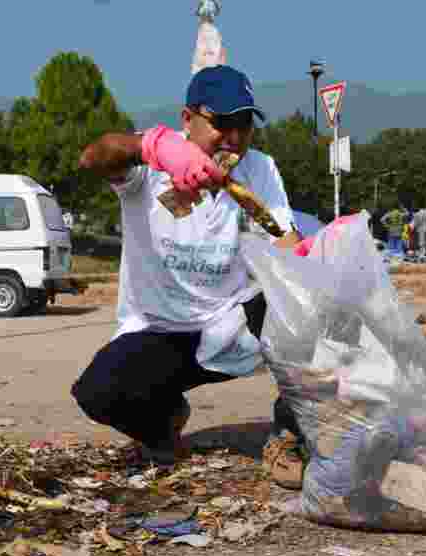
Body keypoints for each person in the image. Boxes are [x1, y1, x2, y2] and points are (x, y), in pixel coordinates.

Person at [72, 64, 302, 477]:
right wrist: (154, 148)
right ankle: (162, 424)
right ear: (187, 119)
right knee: (98, 391)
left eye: (244, 124)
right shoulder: (151, 166)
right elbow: (92, 157)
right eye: (221, 123)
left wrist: (322, 266)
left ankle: (290, 435)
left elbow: (284, 240)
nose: (233, 138)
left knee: (303, 302)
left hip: (232, 323)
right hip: (160, 330)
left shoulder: (260, 169)